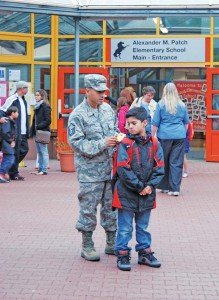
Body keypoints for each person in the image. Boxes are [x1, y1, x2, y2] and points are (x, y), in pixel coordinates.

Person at [68, 74, 118, 262]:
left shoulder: (107, 110)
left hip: (109, 170)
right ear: (87, 91)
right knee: (88, 209)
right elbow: (77, 144)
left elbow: (114, 130)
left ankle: (111, 243)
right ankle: (87, 245)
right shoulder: (78, 115)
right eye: (98, 92)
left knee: (111, 208)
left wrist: (118, 139)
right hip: (90, 173)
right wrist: (103, 143)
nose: (102, 95)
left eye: (104, 91)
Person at [112, 107, 164, 271]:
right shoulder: (125, 144)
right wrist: (140, 187)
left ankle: (144, 253)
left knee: (143, 226)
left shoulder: (155, 143)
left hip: (146, 194)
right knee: (125, 228)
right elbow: (122, 169)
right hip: (126, 194)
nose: (129, 127)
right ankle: (122, 254)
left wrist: (149, 186)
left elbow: (160, 168)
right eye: (127, 124)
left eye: (133, 123)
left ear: (145, 123)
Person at [151, 82, 189, 196]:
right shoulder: (182, 105)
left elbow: (155, 122)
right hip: (179, 136)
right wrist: (181, 133)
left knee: (164, 161)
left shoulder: (161, 104)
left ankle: (165, 187)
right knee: (176, 162)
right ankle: (175, 189)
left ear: (164, 91)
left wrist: (152, 136)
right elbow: (186, 123)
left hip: (164, 136)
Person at [0, 81, 29, 180]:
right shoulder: (12, 99)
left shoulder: (24, 100)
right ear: (21, 88)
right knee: (15, 152)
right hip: (15, 131)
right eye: (26, 88)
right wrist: (1, 119)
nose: (28, 90)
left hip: (23, 131)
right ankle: (14, 173)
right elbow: (3, 110)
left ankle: (11, 168)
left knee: (24, 149)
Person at [30, 89, 51, 175]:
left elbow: (48, 120)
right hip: (37, 132)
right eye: (35, 95)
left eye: (38, 95)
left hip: (42, 131)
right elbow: (35, 120)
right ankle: (40, 169)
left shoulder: (45, 106)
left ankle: (44, 170)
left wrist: (38, 127)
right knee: (39, 152)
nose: (36, 96)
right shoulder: (37, 106)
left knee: (43, 151)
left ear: (42, 96)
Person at [0, 106, 18, 183]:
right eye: (17, 112)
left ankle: (3, 174)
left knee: (8, 158)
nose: (18, 114)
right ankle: (1, 174)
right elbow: (5, 133)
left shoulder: (10, 121)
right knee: (10, 158)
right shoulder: (7, 121)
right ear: (12, 113)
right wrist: (11, 141)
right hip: (6, 143)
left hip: (7, 142)